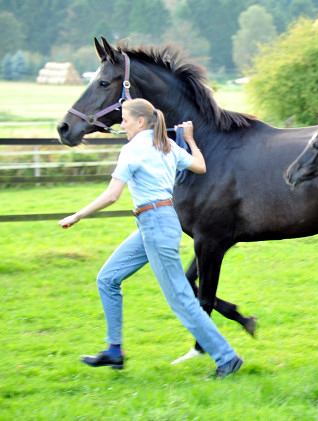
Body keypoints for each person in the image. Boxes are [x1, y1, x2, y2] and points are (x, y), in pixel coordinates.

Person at [59, 98, 243, 378]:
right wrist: (191, 141)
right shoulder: (167, 145)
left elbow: (112, 195)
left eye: (125, 119)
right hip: (155, 223)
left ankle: (226, 358)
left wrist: (78, 215)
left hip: (156, 224)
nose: (122, 124)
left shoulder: (132, 150)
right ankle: (114, 350)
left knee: (181, 298)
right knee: (108, 279)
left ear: (141, 121)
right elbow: (200, 166)